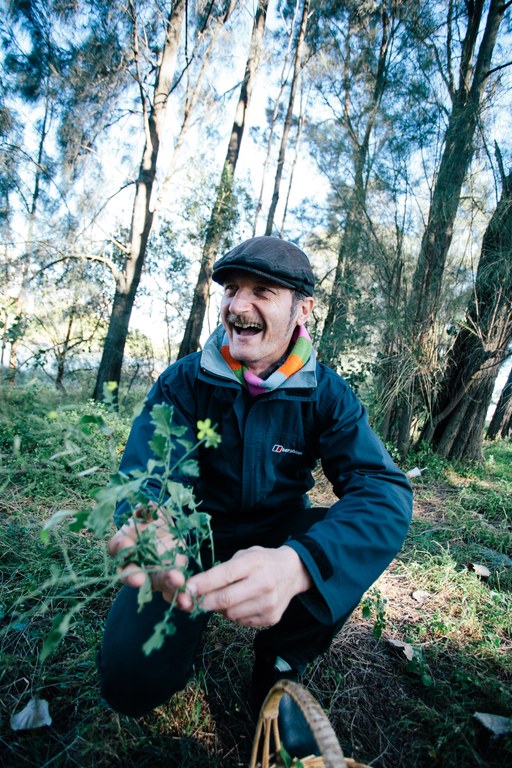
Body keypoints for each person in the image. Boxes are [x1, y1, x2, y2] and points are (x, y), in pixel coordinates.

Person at [98, 236, 413, 757]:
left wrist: (299, 565)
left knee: (330, 544)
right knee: (129, 684)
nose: (237, 305)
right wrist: (148, 522)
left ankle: (281, 666)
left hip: (277, 539)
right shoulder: (184, 382)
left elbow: (383, 491)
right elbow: (147, 475)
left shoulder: (327, 394)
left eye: (261, 291)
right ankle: (182, 634)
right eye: (231, 289)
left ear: (302, 309)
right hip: (190, 539)